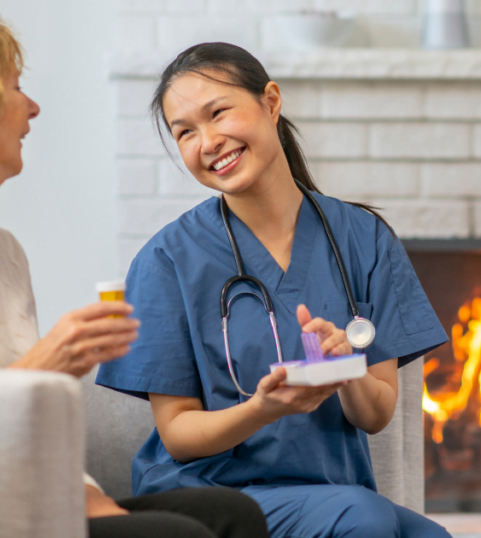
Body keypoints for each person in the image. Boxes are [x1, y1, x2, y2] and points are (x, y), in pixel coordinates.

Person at [0, 5, 267, 538]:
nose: (34, 107)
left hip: (33, 504)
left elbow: (26, 434)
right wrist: (37, 371)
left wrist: (86, 497)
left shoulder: (4, 253)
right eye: (16, 87)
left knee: (232, 515)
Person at [94, 42, 453, 538]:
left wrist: (346, 367)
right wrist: (260, 411)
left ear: (270, 101)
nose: (208, 141)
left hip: (330, 493)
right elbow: (178, 435)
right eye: (185, 132)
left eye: (218, 113)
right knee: (364, 518)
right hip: (211, 492)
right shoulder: (167, 259)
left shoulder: (363, 238)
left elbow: (376, 414)